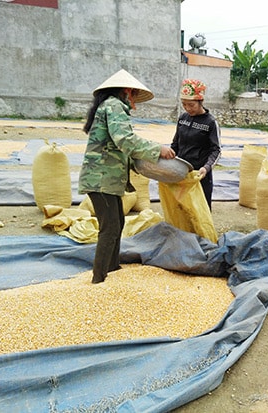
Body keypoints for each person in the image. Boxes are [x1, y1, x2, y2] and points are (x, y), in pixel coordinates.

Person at [79, 69, 175, 284]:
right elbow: (124, 139)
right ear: (127, 91)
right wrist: (157, 149)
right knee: (110, 227)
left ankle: (112, 268)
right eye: (133, 95)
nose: (134, 101)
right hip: (100, 178)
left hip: (108, 178)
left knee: (118, 222)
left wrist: (145, 166)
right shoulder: (113, 106)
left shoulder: (109, 106)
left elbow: (117, 146)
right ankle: (98, 279)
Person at [171, 79, 221, 210]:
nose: (187, 108)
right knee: (181, 208)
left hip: (200, 174)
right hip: (181, 172)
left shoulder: (210, 122)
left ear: (200, 102)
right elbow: (175, 144)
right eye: (184, 104)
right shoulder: (183, 119)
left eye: (191, 105)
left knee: (200, 210)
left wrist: (207, 167)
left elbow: (216, 150)